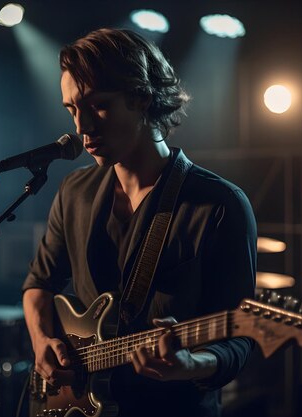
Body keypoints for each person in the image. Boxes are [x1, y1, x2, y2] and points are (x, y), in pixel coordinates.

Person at [22, 28, 256, 416]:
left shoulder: (219, 205)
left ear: (142, 98)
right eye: (71, 109)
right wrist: (42, 340)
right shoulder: (74, 192)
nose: (81, 128)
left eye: (98, 106)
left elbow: (241, 337)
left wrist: (191, 365)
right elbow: (38, 283)